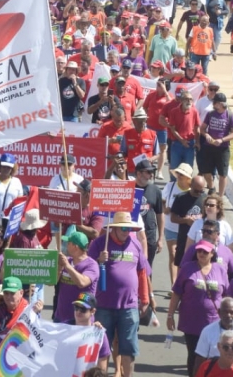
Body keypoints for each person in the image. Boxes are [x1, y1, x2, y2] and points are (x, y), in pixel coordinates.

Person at [88, 211, 150, 377]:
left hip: (129, 307)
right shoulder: (100, 243)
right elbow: (88, 269)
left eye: (129, 229)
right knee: (102, 348)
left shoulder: (136, 244)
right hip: (103, 306)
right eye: (123, 228)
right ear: (113, 228)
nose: (126, 231)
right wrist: (98, 261)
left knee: (128, 348)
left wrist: (145, 298)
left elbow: (142, 273)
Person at [167, 240, 230, 377]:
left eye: (205, 251)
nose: (201, 254)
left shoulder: (220, 270)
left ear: (212, 253)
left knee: (213, 356)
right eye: (199, 251)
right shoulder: (187, 268)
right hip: (191, 322)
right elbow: (177, 292)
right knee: (195, 355)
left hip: (214, 322)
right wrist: (170, 315)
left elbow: (226, 296)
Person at [194, 297, 233, 369]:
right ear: (219, 312)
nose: (228, 315)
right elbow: (200, 360)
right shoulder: (207, 331)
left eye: (232, 312)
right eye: (225, 312)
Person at [55, 231, 100, 323]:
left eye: (68, 243)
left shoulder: (92, 265)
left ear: (75, 247)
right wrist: (59, 267)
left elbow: (82, 282)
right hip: (61, 316)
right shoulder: (67, 260)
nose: (66, 245)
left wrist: (67, 266)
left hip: (81, 319)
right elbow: (51, 282)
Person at [199, 93, 233, 196]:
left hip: (223, 149)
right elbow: (202, 129)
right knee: (206, 170)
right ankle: (211, 186)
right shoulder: (210, 114)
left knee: (222, 174)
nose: (214, 104)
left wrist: (222, 140)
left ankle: (220, 196)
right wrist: (206, 135)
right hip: (209, 147)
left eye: (216, 103)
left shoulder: (230, 115)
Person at [133, 158, 164, 267]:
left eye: (152, 172)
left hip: (150, 236)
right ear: (139, 173)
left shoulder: (155, 190)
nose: (151, 175)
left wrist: (160, 238)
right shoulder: (129, 188)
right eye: (148, 172)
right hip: (131, 235)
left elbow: (160, 214)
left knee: (147, 268)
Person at [160, 91, 200, 171]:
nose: (189, 101)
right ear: (181, 100)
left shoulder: (194, 111)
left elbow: (197, 127)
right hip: (177, 144)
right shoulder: (174, 112)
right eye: (186, 99)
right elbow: (173, 129)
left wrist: (197, 141)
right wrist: (182, 141)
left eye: (190, 99)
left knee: (188, 170)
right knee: (174, 169)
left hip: (190, 144)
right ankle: (173, 183)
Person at [0, 153, 23, 221]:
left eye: (8, 167)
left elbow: (20, 203)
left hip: (11, 220)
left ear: (12, 168)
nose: (6, 169)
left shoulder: (17, 182)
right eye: (4, 166)